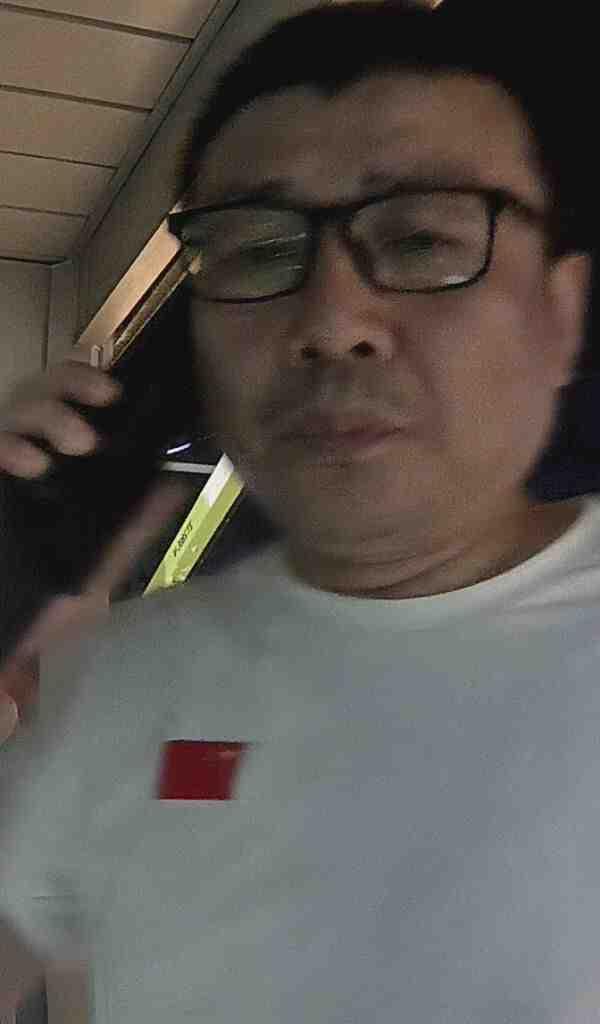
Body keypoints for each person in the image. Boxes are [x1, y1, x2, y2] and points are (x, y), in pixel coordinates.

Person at [1, 1, 599, 1021]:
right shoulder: (117, 685)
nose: (330, 320)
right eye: (256, 252)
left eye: (422, 238)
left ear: (561, 312)